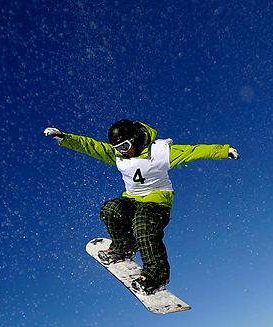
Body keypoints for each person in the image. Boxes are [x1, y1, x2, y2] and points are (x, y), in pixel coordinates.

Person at [44, 120, 239, 295]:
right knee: (111, 210)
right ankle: (124, 247)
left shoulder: (160, 152)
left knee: (143, 225)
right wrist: (64, 138)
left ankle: (156, 275)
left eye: (125, 146)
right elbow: (91, 146)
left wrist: (223, 151)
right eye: (118, 148)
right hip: (133, 199)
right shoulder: (118, 156)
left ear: (135, 139)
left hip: (157, 201)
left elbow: (193, 151)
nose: (123, 151)